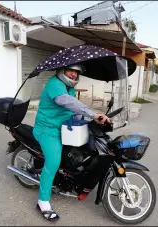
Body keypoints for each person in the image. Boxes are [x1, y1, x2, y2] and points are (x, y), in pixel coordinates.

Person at [32, 63, 110, 222]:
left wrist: (90, 118)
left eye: (76, 72)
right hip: (48, 130)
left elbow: (73, 110)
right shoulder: (54, 84)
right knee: (53, 161)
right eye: (71, 70)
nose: (74, 74)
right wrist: (92, 113)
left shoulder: (70, 88)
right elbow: (68, 102)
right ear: (62, 70)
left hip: (64, 127)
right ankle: (43, 201)